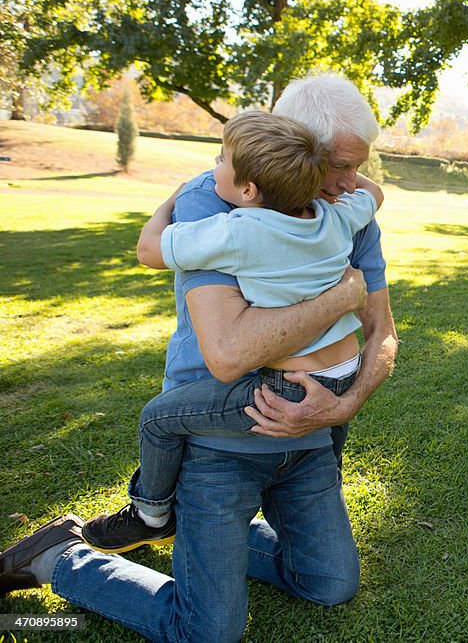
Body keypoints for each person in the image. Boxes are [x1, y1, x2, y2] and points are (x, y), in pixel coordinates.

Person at [0, 73, 398, 642]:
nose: (350, 182)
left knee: (329, 584)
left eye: (358, 166)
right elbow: (230, 355)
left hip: (308, 438)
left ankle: (180, 523)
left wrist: (346, 402)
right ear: (287, 148)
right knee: (209, 633)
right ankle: (64, 557)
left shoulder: (344, 206)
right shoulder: (216, 207)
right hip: (221, 445)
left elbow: (383, 328)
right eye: (337, 165)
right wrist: (341, 295)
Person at [79, 109, 384, 553]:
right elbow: (373, 193)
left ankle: (152, 513)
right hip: (346, 369)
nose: (212, 169)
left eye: (220, 161)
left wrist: (172, 200)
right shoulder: (335, 218)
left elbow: (148, 250)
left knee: (158, 417)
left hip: (289, 385)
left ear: (248, 189)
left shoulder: (237, 230)